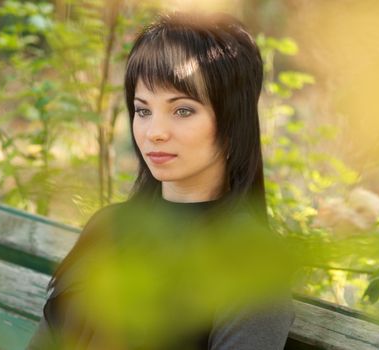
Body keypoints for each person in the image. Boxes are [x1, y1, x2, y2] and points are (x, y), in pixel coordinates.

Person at [27, 11, 295, 350]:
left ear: (232, 120)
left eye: (182, 110)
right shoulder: (109, 227)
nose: (154, 133)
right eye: (143, 110)